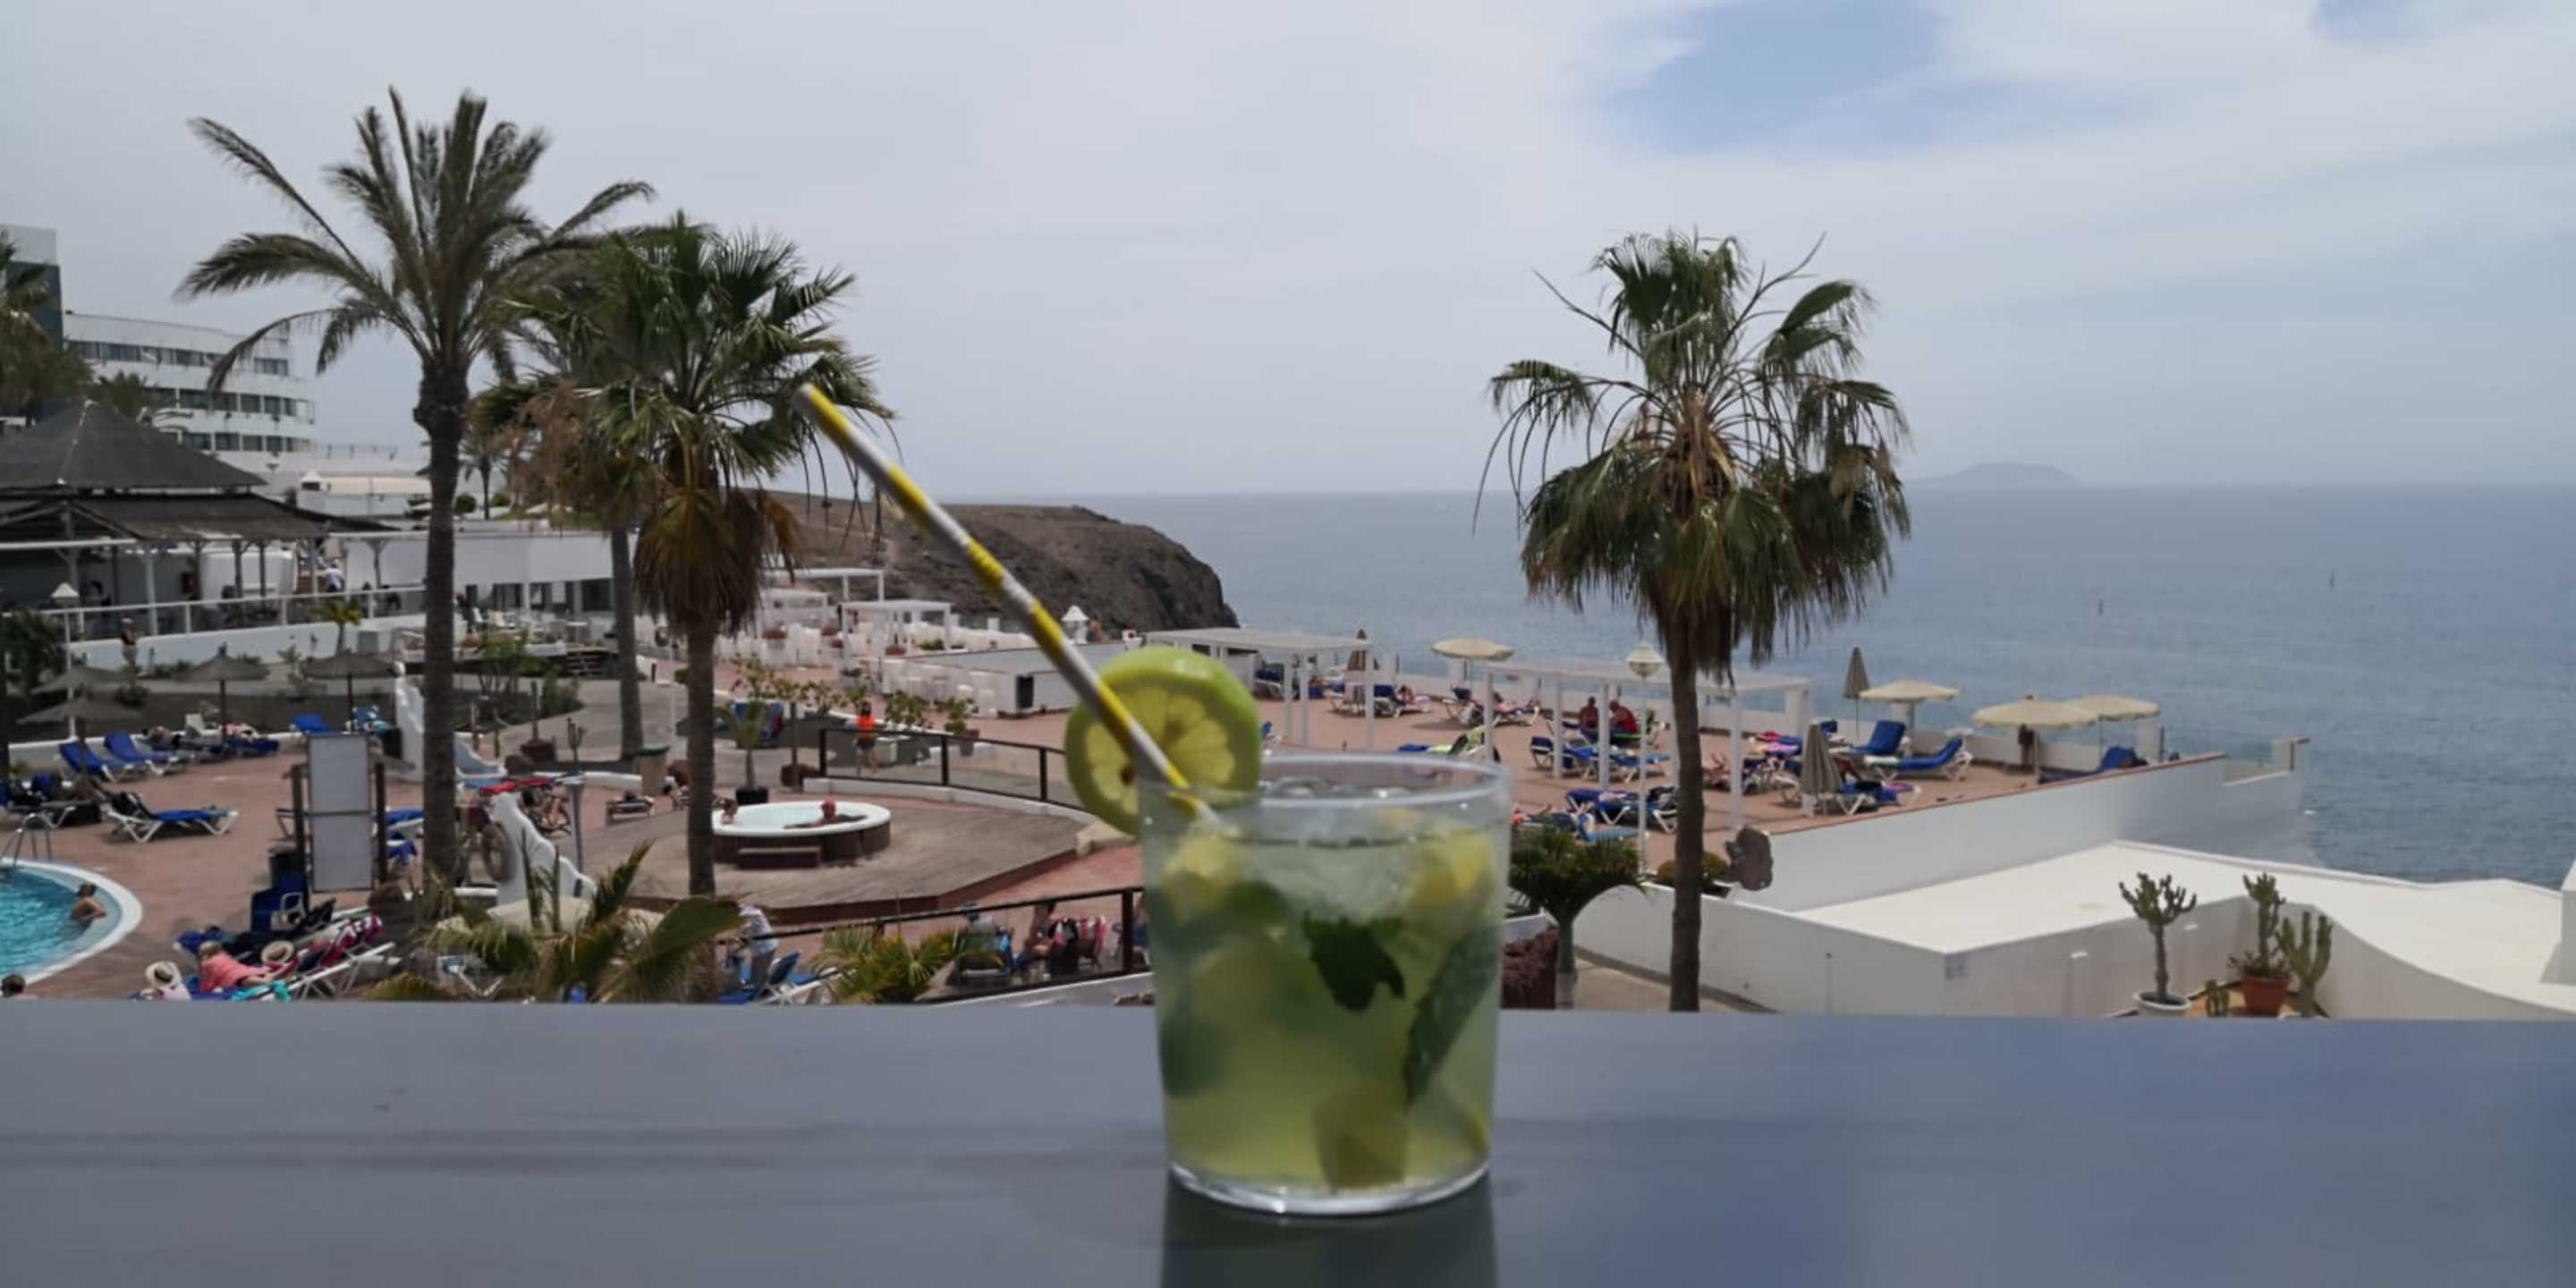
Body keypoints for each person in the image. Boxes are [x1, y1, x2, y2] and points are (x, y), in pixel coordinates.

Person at [195, 941, 275, 993]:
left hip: (233, 977)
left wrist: (206, 989)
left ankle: (269, 980)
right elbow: (235, 965)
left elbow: (208, 980)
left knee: (249, 981)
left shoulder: (205, 963)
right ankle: (272, 976)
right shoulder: (224, 955)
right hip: (246, 970)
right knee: (256, 978)